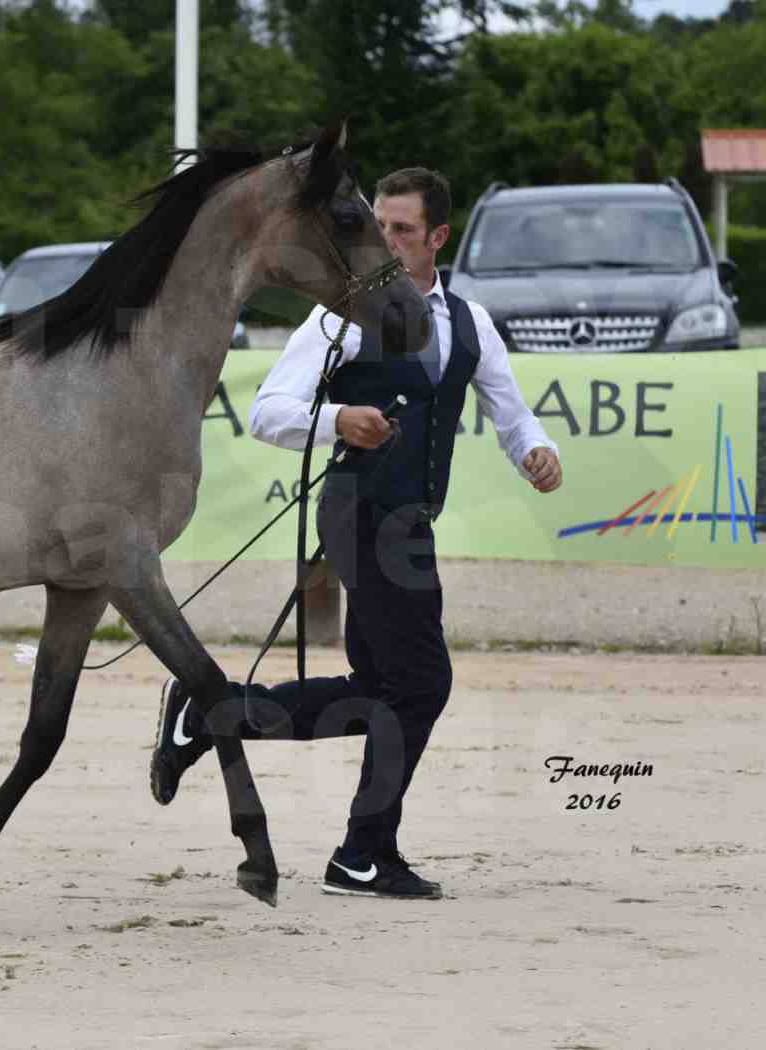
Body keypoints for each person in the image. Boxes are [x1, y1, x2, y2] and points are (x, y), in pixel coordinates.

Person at [149, 167, 564, 900]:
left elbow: (511, 411)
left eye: (402, 230)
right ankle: (362, 853)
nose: (388, 241)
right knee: (422, 683)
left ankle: (213, 714)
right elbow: (268, 410)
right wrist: (336, 420)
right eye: (381, 226)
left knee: (382, 690)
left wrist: (535, 452)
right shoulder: (340, 314)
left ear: (437, 236)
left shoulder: (469, 321)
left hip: (407, 518)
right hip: (360, 512)